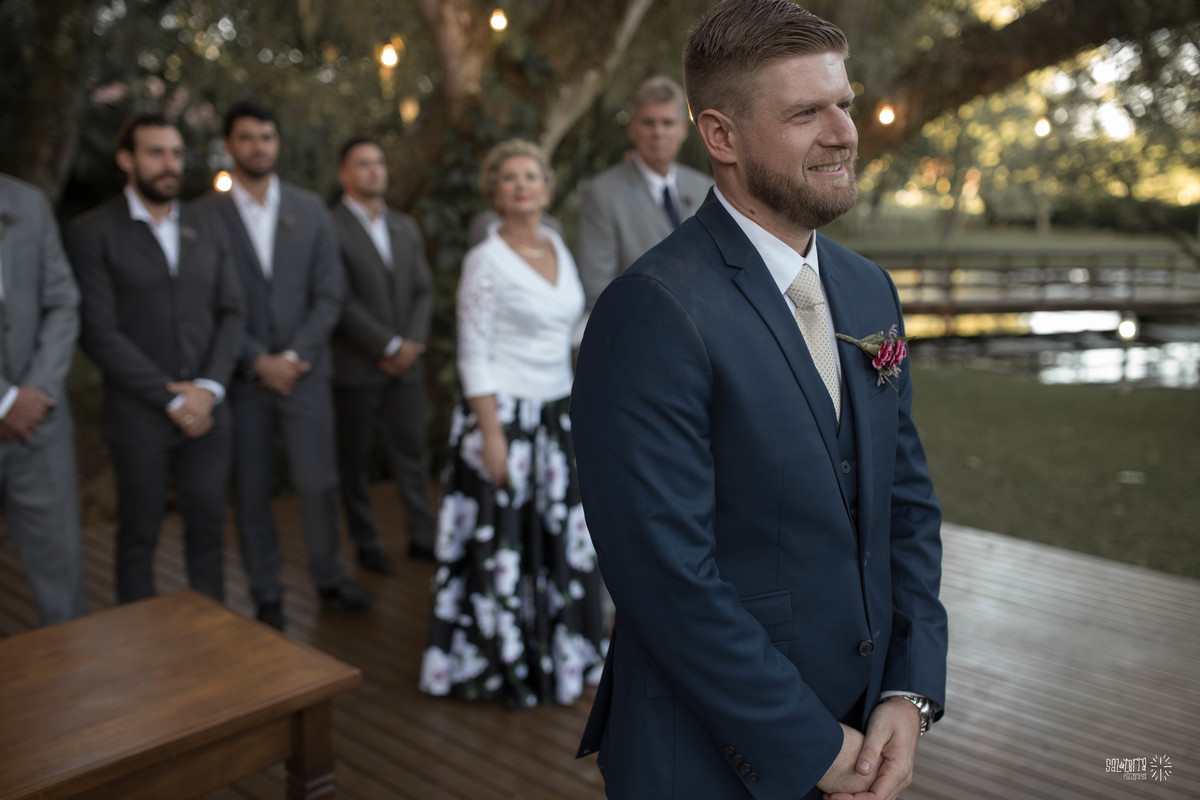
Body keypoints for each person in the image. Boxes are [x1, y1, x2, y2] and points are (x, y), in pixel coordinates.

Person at [571, 3, 948, 799]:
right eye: (806, 112)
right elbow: (666, 577)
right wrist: (811, 745)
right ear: (721, 136)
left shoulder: (865, 285)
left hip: (870, 733)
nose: (843, 131)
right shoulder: (650, 311)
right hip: (709, 758)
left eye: (843, 102)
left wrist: (907, 692)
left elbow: (904, 506)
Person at [419, 140, 606, 709]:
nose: (522, 184)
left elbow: (570, 328)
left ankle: (563, 653)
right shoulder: (485, 259)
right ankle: (498, 661)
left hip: (556, 414)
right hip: (502, 419)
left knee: (560, 543)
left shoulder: (555, 243)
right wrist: (492, 435)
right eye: (509, 177)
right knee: (501, 544)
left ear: (546, 190)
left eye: (531, 175)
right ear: (494, 193)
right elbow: (472, 353)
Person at [193, 102, 370, 630]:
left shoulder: (312, 208)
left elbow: (330, 293)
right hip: (243, 379)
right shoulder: (203, 215)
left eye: (267, 137)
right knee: (251, 491)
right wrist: (256, 359)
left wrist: (293, 357)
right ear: (231, 145)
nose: (259, 147)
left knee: (318, 483)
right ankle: (266, 592)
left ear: (277, 143)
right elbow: (204, 302)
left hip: (306, 376)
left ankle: (329, 577)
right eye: (247, 138)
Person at [68, 115, 244, 605]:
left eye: (176, 153)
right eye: (155, 153)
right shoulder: (93, 233)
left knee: (209, 531)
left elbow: (233, 312)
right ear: (126, 160)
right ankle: (140, 655)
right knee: (138, 537)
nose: (170, 165)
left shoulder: (208, 224)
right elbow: (98, 332)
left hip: (210, 411)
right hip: (139, 412)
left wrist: (208, 389)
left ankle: (213, 637)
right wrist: (169, 399)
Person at [330, 137, 436, 570]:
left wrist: (408, 344)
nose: (375, 171)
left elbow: (423, 290)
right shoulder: (328, 226)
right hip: (357, 365)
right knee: (354, 461)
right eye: (363, 164)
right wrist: (386, 345)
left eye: (378, 163)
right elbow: (336, 297)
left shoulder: (405, 226)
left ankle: (422, 536)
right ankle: (367, 542)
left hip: (406, 366)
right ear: (344, 174)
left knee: (412, 452)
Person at [0, 173, 87, 625]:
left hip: (41, 423)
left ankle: (71, 687)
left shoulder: (28, 203)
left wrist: (36, 391)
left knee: (62, 585)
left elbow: (62, 301)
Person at [576, 75, 713, 313]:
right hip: (638, 329)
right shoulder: (603, 193)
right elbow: (596, 287)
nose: (658, 132)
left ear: (683, 129)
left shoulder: (706, 188)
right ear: (632, 128)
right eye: (648, 122)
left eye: (667, 123)